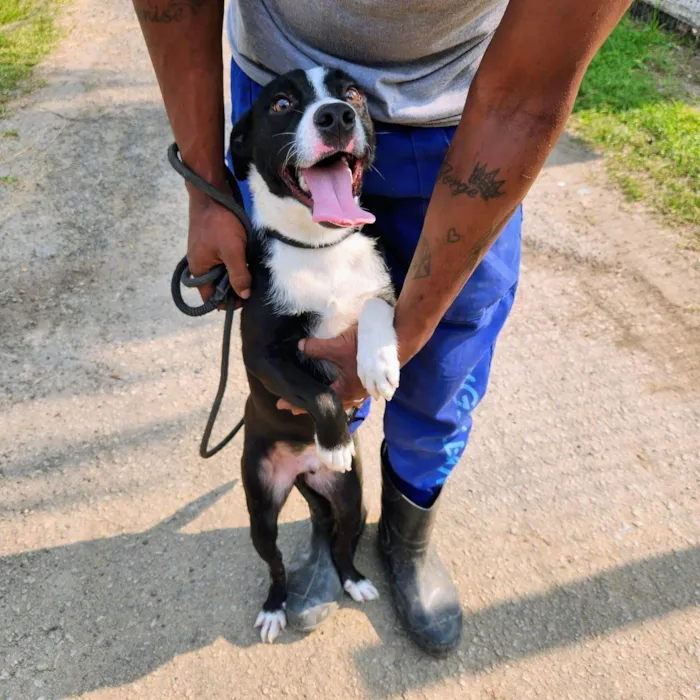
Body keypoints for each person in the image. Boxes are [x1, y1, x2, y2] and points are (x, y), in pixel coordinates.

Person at [134, 0, 630, 657]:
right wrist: (207, 188)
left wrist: (409, 324)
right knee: (312, 354)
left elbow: (526, 95)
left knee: (445, 359)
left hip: (473, 114)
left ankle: (407, 529)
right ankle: (331, 515)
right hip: (279, 88)